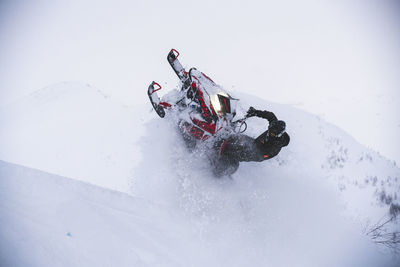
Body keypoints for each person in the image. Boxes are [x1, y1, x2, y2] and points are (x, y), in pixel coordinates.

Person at [211, 107, 290, 176]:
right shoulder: (274, 126)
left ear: (279, 135)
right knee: (237, 137)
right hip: (256, 142)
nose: (269, 133)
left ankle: (219, 170)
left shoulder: (274, 147)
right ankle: (220, 139)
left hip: (259, 154)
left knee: (234, 153)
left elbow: (260, 154)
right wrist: (255, 112)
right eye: (269, 130)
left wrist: (241, 149)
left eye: (272, 134)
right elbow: (270, 115)